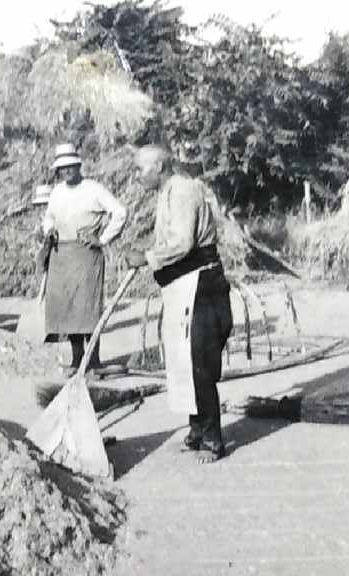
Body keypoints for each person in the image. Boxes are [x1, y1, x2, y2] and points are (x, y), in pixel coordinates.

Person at [124, 144, 233, 464]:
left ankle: (213, 439)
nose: (137, 176)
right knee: (183, 359)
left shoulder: (184, 191)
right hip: (182, 285)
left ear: (159, 166)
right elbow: (170, 238)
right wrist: (148, 252)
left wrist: (146, 258)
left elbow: (183, 242)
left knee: (199, 360)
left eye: (140, 169)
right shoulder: (166, 193)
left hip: (201, 285)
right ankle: (197, 429)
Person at [42, 143, 127, 376]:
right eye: (62, 168)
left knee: (87, 308)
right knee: (67, 308)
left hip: (86, 254)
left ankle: (94, 360)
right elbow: (48, 217)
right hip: (61, 254)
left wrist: (102, 239)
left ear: (79, 166)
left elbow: (120, 212)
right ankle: (77, 358)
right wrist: (49, 230)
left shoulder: (94, 189)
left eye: (70, 166)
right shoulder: (57, 192)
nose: (67, 171)